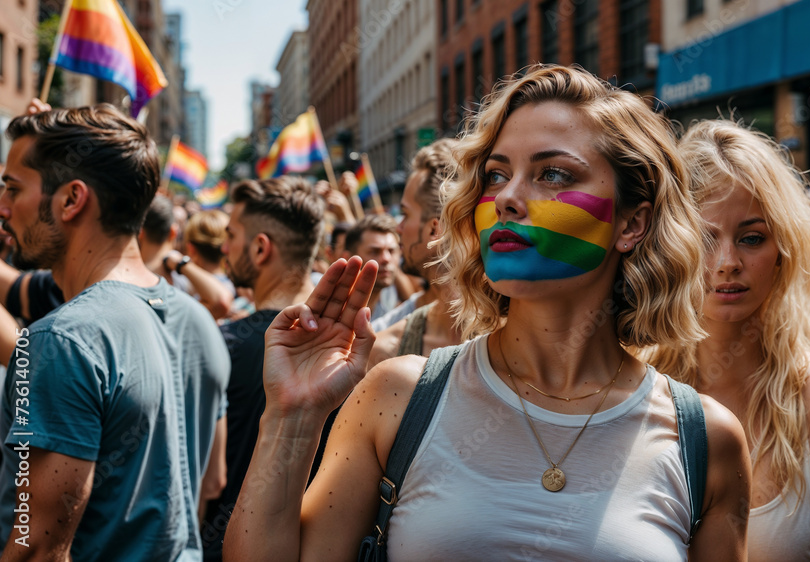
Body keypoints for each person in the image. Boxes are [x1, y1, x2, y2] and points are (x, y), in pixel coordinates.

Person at [225, 65, 751, 561]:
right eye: (497, 175)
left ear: (632, 224)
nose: (508, 199)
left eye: (552, 174)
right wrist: (291, 418)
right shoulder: (399, 397)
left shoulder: (706, 439)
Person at [647, 119, 810, 561]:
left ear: (785, 249)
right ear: (671, 246)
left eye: (751, 238)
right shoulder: (625, 392)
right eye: (705, 239)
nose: (727, 262)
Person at [0, 104, 230, 560]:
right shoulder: (197, 320)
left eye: (12, 188)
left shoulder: (59, 341)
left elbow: (35, 548)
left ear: (71, 200)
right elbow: (212, 482)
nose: (3, 207)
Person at [200, 176, 327, 561]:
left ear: (260, 248)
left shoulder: (222, 344)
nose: (224, 247)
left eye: (231, 235)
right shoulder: (351, 353)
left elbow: (204, 481)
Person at [368, 139, 464, 352]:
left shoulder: (516, 336)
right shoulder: (385, 345)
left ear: (434, 229)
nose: (398, 228)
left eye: (405, 214)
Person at [341, 213, 403, 323]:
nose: (386, 259)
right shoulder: (326, 306)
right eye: (374, 251)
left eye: (391, 251)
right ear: (348, 258)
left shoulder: (390, 302)